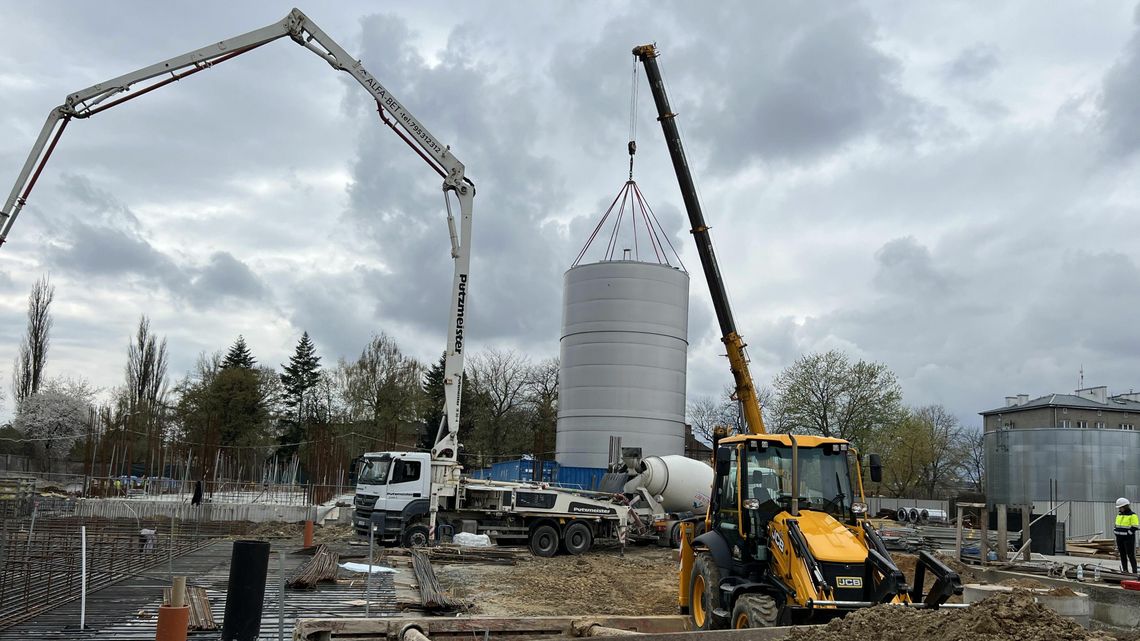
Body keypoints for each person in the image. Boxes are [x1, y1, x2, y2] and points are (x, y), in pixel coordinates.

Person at [1114, 497, 1138, 574]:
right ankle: (1125, 571)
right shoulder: (1119, 515)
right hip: (1119, 538)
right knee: (1122, 555)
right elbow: (1116, 526)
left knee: (1130, 555)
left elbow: (1135, 527)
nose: (1119, 509)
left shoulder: (1133, 515)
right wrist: (1115, 531)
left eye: (1120, 507)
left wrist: (1128, 534)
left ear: (1124, 506)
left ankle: (1134, 572)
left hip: (1128, 539)